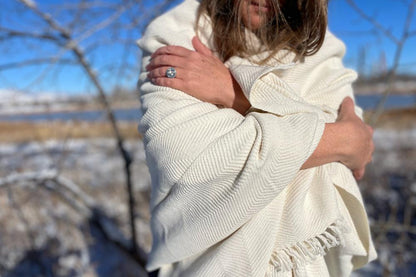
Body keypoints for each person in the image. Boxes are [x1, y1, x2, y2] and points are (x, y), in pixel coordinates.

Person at [137, 0, 377, 276]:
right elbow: (190, 164)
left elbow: (341, 170)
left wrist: (235, 95)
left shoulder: (320, 52)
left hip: (310, 264)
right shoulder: (179, 32)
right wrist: (344, 141)